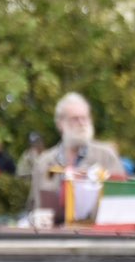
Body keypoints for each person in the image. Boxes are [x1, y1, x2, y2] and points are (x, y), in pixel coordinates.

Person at [30, 92, 126, 224]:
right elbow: (33, 206)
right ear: (60, 124)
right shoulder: (44, 163)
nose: (82, 123)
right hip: (54, 239)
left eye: (85, 118)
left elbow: (123, 202)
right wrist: (34, 218)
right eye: (75, 119)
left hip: (98, 239)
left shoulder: (107, 156)